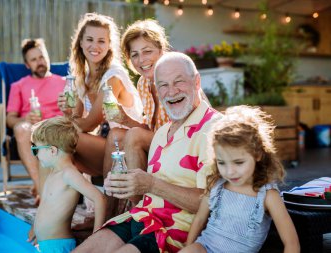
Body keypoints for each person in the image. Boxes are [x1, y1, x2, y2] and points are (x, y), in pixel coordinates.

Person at [73, 52, 223, 253]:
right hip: (140, 217)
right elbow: (144, 196)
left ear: (196, 82)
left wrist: (151, 184)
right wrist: (127, 186)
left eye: (179, 81)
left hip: (173, 233)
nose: (171, 91)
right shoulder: (161, 133)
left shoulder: (214, 129)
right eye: (163, 85)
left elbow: (211, 203)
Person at [180, 105, 300, 253]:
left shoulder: (268, 196)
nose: (230, 172)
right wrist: (188, 246)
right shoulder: (217, 185)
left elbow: (292, 244)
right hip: (204, 247)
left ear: (258, 154)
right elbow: (199, 220)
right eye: (221, 163)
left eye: (238, 162)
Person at [57, 13, 143, 180]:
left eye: (101, 41)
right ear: (81, 42)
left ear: (109, 45)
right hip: (103, 144)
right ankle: (51, 197)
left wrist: (67, 122)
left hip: (126, 146)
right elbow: (75, 120)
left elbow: (88, 124)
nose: (94, 46)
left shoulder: (113, 77)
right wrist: (67, 111)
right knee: (51, 144)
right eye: (89, 39)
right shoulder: (82, 78)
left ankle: (93, 200)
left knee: (61, 137)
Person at [102, 19, 170, 218]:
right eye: (135, 55)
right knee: (116, 133)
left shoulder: (172, 76)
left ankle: (138, 212)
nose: (142, 60)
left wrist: (132, 128)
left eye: (147, 51)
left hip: (182, 144)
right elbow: (151, 131)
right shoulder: (143, 83)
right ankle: (109, 211)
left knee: (133, 136)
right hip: (160, 143)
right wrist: (124, 119)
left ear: (161, 50)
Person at [27, 116, 106, 253]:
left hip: (58, 246)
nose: (35, 155)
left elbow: (100, 198)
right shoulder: (54, 172)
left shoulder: (69, 174)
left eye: (36, 150)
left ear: (52, 150)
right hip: (47, 245)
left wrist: (96, 236)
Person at [6, 38, 65, 201]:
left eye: (42, 57)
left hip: (58, 129)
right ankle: (41, 188)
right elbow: (10, 119)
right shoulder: (18, 86)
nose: (39, 62)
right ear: (27, 65)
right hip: (31, 130)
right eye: (33, 59)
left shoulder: (64, 82)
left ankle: (43, 186)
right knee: (20, 128)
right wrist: (25, 118)